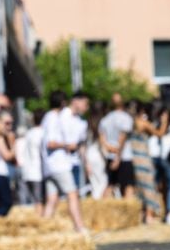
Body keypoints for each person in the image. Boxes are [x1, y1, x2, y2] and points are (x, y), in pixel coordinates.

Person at [40, 90, 88, 233]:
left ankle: (44, 230)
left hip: (51, 165)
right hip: (59, 164)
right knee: (72, 194)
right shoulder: (53, 117)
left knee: (52, 199)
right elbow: (51, 143)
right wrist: (68, 146)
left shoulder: (51, 117)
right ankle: (80, 227)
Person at [97, 93, 134, 199]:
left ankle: (103, 206)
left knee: (110, 184)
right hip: (124, 156)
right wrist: (118, 156)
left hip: (110, 155)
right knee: (128, 186)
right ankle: (129, 209)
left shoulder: (105, 119)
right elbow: (122, 138)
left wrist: (110, 148)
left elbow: (102, 139)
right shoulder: (126, 118)